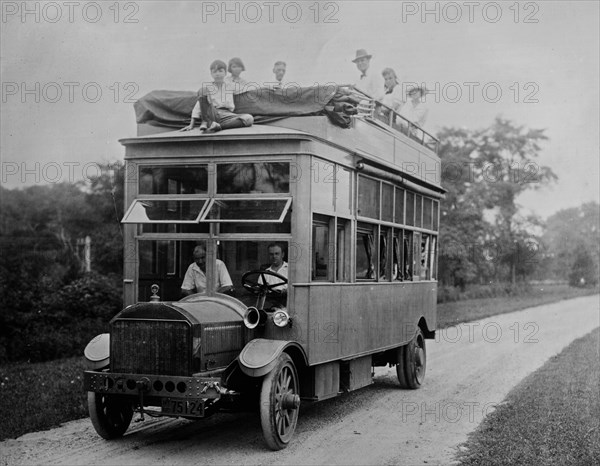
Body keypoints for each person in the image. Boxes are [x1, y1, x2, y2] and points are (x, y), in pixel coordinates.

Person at [180, 59, 254, 133]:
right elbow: (198, 105)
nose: (217, 74)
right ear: (211, 74)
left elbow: (247, 88)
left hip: (227, 114)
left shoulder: (231, 85)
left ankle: (219, 126)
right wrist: (191, 125)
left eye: (220, 71)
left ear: (225, 73)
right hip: (213, 113)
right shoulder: (208, 88)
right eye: (214, 72)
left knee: (249, 118)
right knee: (202, 90)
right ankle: (205, 122)